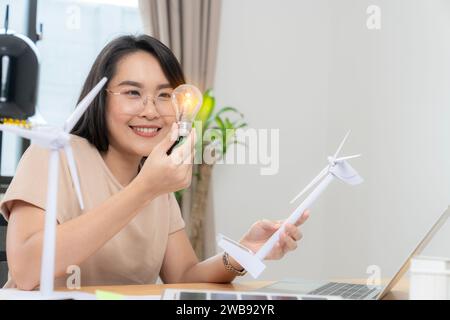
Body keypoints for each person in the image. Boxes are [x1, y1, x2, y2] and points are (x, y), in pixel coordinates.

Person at [0, 35, 309, 290]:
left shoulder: (156, 180)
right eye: (133, 92)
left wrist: (244, 253)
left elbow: (184, 276)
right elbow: (28, 271)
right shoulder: (52, 155)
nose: (150, 110)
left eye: (164, 96)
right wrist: (145, 189)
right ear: (100, 98)